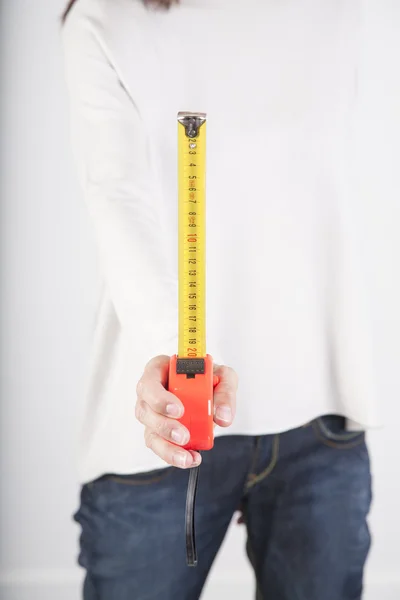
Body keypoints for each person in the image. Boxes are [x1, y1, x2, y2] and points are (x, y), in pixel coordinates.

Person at [62, 0, 380, 598]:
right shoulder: (105, 18)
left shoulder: (334, 10)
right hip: (162, 425)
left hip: (321, 415)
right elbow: (118, 201)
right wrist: (176, 357)